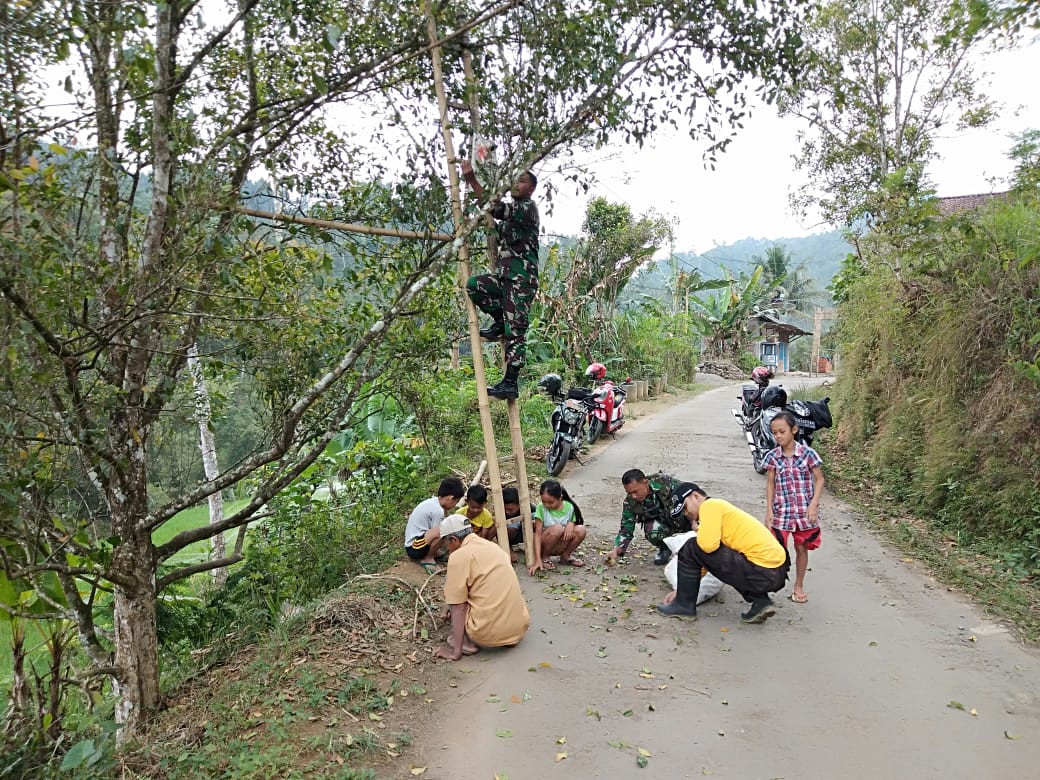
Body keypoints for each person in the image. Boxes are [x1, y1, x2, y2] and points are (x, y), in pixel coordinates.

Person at [460, 160, 540, 401]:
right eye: (515, 180)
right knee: (475, 286)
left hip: (521, 280)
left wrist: (472, 180)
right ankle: (499, 320)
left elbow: (495, 208)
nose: (516, 184)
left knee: (515, 331)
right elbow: (494, 217)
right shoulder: (511, 217)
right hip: (506, 278)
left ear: (531, 188)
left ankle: (510, 383)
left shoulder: (527, 208)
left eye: (522, 181)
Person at [657, 483, 790, 624]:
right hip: (775, 572)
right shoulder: (719, 510)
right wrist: (682, 590)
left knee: (690, 546)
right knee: (722, 556)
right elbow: (709, 560)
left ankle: (683, 607)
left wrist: (699, 531)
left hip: (763, 570)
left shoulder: (709, 506)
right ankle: (761, 602)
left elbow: (706, 547)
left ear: (696, 496)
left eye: (685, 507)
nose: (686, 513)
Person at [434, 515, 531, 661]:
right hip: (519, 628)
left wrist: (455, 652)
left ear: (453, 539)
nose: (447, 549)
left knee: (456, 605)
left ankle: (465, 644)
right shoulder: (492, 547)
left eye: (445, 543)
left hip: (486, 632)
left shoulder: (458, 556)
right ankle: (507, 636)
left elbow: (458, 606)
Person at [763, 411, 825, 604]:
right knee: (776, 548)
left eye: (782, 431)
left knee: (801, 548)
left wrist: (813, 504)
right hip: (782, 511)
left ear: (794, 430)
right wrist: (769, 510)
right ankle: (770, 584)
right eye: (774, 433)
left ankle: (798, 585)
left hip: (803, 512)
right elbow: (771, 484)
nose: (778, 436)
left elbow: (819, 479)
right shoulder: (773, 457)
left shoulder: (808, 454)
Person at [605, 469, 687, 566]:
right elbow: (626, 527)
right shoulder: (631, 502)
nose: (633, 496)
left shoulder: (665, 483)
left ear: (646, 483)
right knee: (651, 530)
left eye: (635, 491)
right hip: (666, 526)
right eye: (629, 493)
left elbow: (691, 496)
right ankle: (665, 548)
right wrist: (616, 550)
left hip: (685, 522)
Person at [403, 476, 466, 574]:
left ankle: (433, 552)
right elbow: (439, 533)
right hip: (414, 548)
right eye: (456, 501)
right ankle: (428, 558)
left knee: (445, 527)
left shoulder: (434, 502)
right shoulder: (437, 511)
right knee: (443, 530)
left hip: (418, 542)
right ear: (451, 498)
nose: (455, 505)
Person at [527, 480, 587, 574]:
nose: (547, 505)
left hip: (561, 544)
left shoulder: (569, 507)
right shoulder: (541, 508)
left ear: (560, 498)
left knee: (581, 530)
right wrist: (537, 559)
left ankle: (565, 556)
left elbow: (573, 521)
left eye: (550, 502)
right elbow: (538, 534)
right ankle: (545, 558)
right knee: (557, 528)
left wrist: (571, 524)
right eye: (544, 502)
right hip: (545, 543)